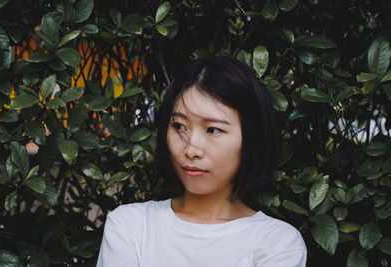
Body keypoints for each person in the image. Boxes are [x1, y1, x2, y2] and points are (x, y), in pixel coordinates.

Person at [96, 56, 307, 267]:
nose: (191, 149)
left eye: (213, 130)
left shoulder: (278, 245)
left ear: (251, 138)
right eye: (179, 126)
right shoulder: (131, 226)